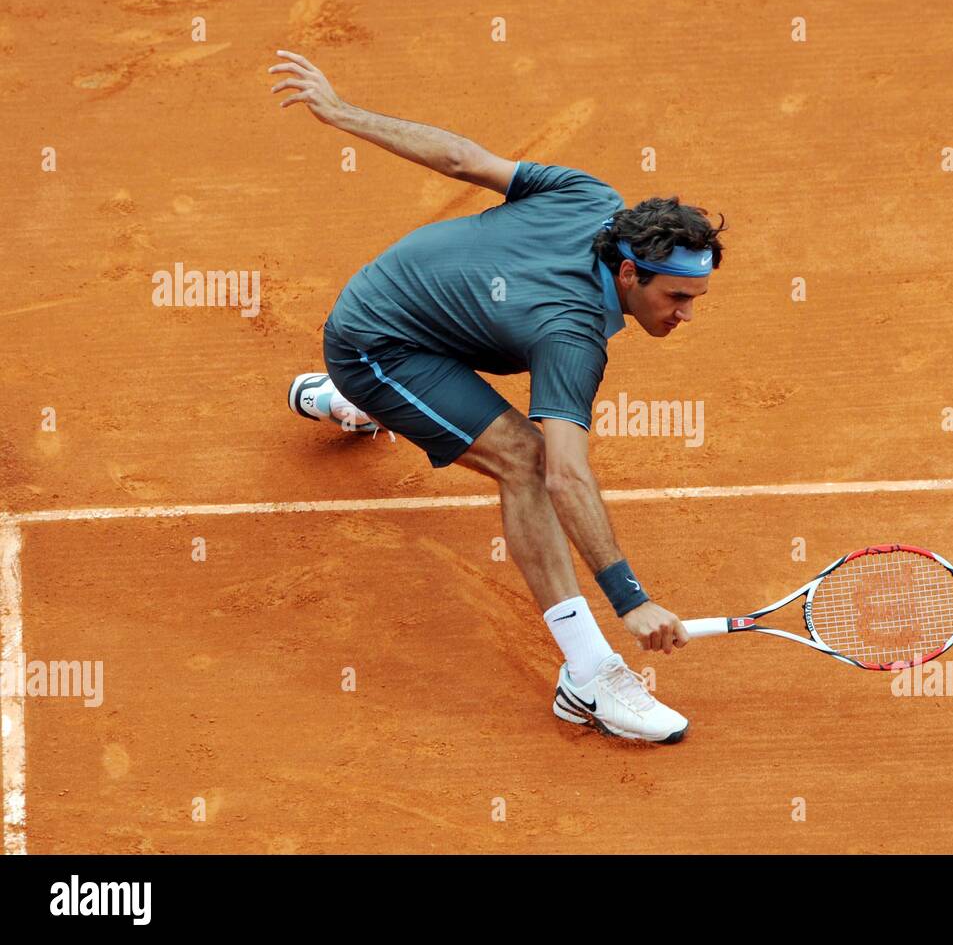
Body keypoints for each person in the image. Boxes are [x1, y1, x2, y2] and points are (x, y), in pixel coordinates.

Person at [271, 50, 725, 743]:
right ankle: (586, 676)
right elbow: (564, 473)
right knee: (525, 457)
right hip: (377, 341)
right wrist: (629, 599)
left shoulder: (595, 200)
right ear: (630, 272)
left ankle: (354, 401)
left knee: (488, 378)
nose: (687, 315)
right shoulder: (570, 335)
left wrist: (341, 111)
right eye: (677, 297)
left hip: (425, 304)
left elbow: (462, 160)